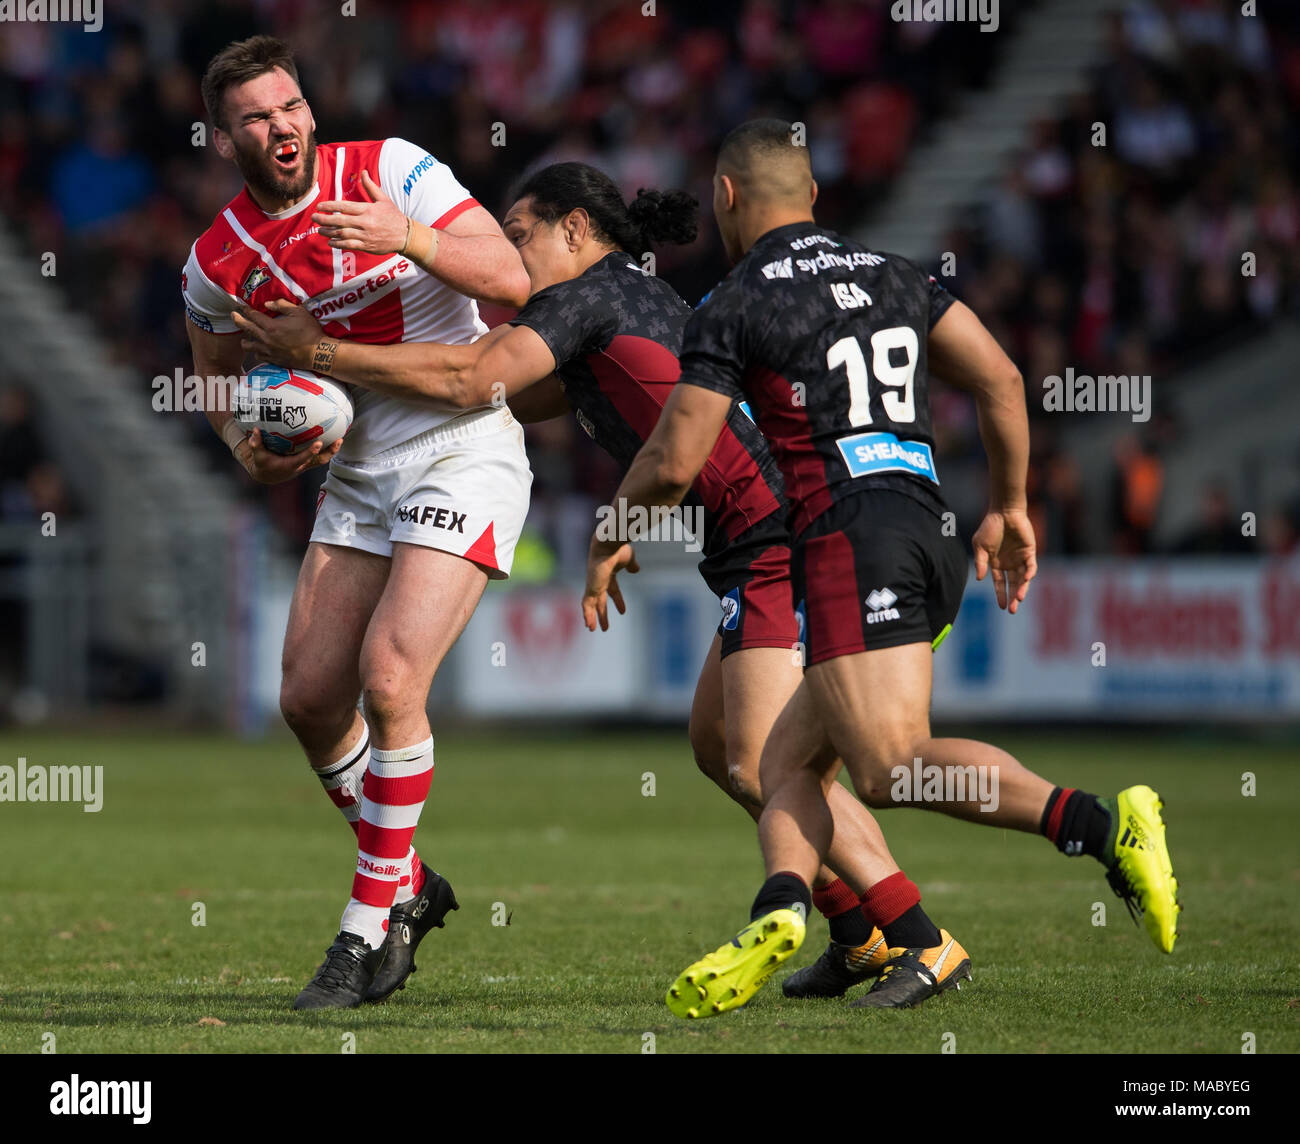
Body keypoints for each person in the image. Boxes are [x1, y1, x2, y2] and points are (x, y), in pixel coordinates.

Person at [235, 160, 959, 1001]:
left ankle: (920, 937)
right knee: (720, 747)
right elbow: (488, 397)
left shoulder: (582, 297)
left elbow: (474, 381)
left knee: (765, 760)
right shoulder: (616, 301)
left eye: (519, 235)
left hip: (779, 537)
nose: (510, 257)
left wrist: (315, 351)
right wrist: (338, 409)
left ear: (574, 230)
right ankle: (856, 931)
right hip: (754, 539)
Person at [582, 119, 1180, 1018]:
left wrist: (613, 530)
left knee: (891, 768)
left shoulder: (734, 304)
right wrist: (1011, 507)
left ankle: (1101, 826)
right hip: (928, 527)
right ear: (815, 196)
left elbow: (674, 457)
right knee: (779, 767)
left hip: (844, 540)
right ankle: (794, 912)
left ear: (727, 198)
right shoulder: (900, 275)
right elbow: (1004, 381)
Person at [183, 35, 533, 1009]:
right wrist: (246, 448)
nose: (279, 125)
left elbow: (509, 281)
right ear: (223, 139)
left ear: (310, 110)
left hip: (464, 447)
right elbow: (213, 390)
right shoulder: (215, 262)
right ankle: (413, 880)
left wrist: (410, 240)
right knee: (306, 699)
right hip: (361, 475)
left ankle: (363, 927)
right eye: (254, 116)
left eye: (289, 106)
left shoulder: (389, 172)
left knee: (390, 677)